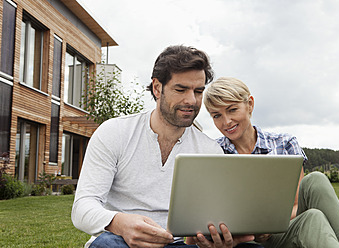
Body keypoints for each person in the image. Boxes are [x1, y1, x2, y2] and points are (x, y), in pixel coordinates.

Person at [71, 46, 255, 248]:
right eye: (180, 89)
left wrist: (214, 239)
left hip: (174, 244)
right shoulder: (114, 132)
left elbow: (205, 219)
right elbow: (82, 208)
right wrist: (119, 223)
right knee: (107, 245)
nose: (191, 101)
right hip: (120, 241)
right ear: (157, 88)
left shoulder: (209, 150)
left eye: (198, 91)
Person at [190, 77, 339, 248]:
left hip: (282, 229)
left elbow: (296, 205)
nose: (226, 121)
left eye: (232, 110)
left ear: (250, 104)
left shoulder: (284, 143)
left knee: (316, 180)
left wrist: (268, 226)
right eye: (217, 115)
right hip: (243, 240)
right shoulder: (213, 153)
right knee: (313, 218)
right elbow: (199, 221)